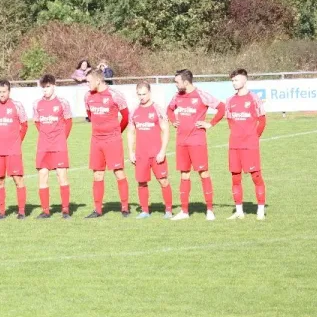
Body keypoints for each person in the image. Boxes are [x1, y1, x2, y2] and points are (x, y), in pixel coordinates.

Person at [167, 69, 225, 221]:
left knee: (203, 173)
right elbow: (169, 109)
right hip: (181, 142)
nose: (175, 85)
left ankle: (210, 210)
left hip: (197, 141)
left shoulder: (201, 95)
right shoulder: (177, 96)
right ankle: (184, 211)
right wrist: (173, 120)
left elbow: (221, 107)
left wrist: (210, 124)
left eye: (177, 82)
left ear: (186, 82)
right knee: (184, 174)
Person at [84, 69, 130, 218]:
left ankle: (124, 207)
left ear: (98, 81)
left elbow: (126, 116)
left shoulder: (115, 95)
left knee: (118, 172)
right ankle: (97, 210)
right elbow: (90, 115)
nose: (87, 84)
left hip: (113, 140)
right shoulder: (87, 96)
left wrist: (117, 132)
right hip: (96, 140)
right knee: (97, 174)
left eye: (89, 81)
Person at [225, 69, 267, 220]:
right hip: (234, 145)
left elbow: (262, 120)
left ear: (244, 80)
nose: (233, 83)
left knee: (256, 176)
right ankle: (239, 211)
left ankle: (260, 210)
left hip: (250, 145)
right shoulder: (229, 100)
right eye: (232, 80)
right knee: (235, 177)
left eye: (236, 80)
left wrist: (254, 137)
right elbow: (230, 121)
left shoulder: (254, 98)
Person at [127, 82, 173, 219]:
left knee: (163, 180)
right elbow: (130, 132)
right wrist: (131, 152)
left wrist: (163, 151)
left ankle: (169, 210)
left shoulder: (157, 109)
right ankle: (145, 210)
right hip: (141, 154)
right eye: (139, 94)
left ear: (149, 93)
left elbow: (165, 130)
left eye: (144, 94)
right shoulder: (134, 111)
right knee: (141, 182)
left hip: (156, 153)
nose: (141, 97)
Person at [33, 74, 73, 219]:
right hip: (43, 146)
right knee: (42, 175)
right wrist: (46, 136)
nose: (45, 90)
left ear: (54, 86)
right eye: (43, 87)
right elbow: (37, 123)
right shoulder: (37, 104)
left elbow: (68, 122)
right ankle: (45, 211)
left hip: (59, 145)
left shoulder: (62, 103)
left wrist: (61, 138)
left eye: (48, 87)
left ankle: (65, 210)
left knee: (61, 174)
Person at [0, 80, 28, 219]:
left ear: (9, 92)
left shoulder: (17, 106)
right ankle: (1, 211)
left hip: (13, 151)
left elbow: (24, 126)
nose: (2, 95)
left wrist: (17, 142)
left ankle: (21, 211)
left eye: (4, 92)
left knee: (18, 179)